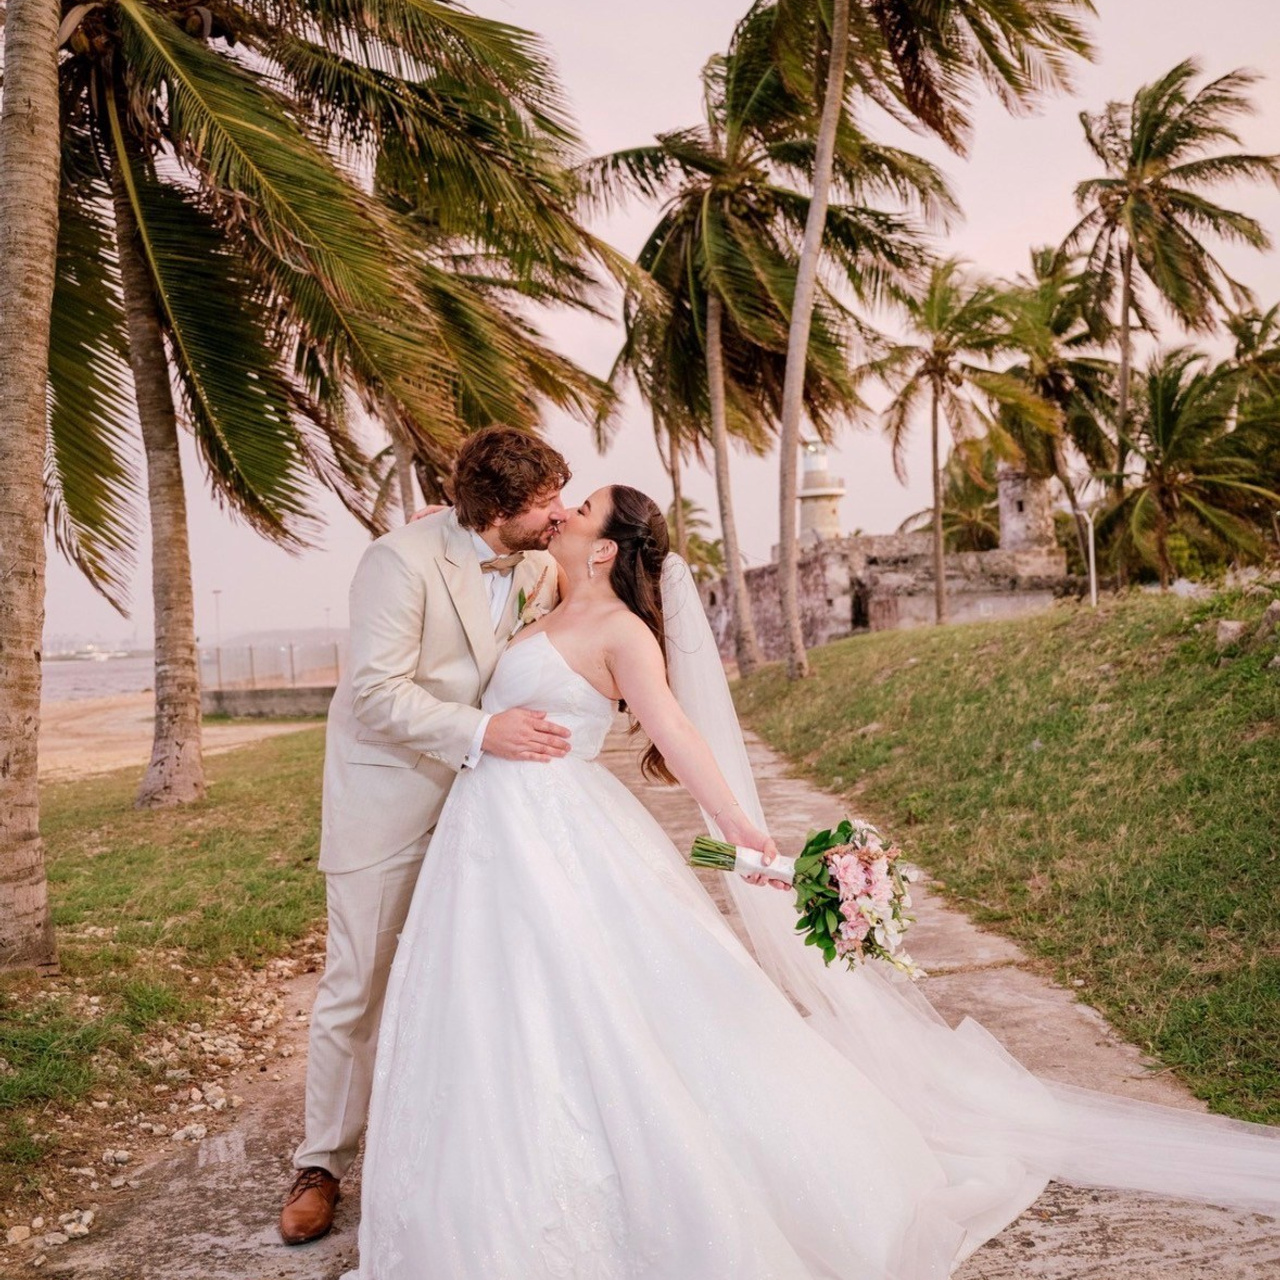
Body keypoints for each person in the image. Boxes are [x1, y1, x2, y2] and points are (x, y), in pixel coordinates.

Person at [346, 485, 1280, 1278]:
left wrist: (751, 839)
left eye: (580, 507)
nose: (564, 511)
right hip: (489, 833)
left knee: (593, 1005)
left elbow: (677, 734)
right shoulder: (545, 587)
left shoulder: (627, 633)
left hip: (557, 834)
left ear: (608, 547)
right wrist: (443, 521)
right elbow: (477, 545)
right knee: (490, 1006)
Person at [280, 427, 574, 1246]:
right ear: (496, 510)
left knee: (479, 976)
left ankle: (460, 1147)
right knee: (357, 982)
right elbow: (375, 694)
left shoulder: (541, 563)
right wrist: (485, 732)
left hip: (494, 810)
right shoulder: (397, 561)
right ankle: (321, 1163)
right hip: (392, 800)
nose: (557, 514)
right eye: (545, 502)